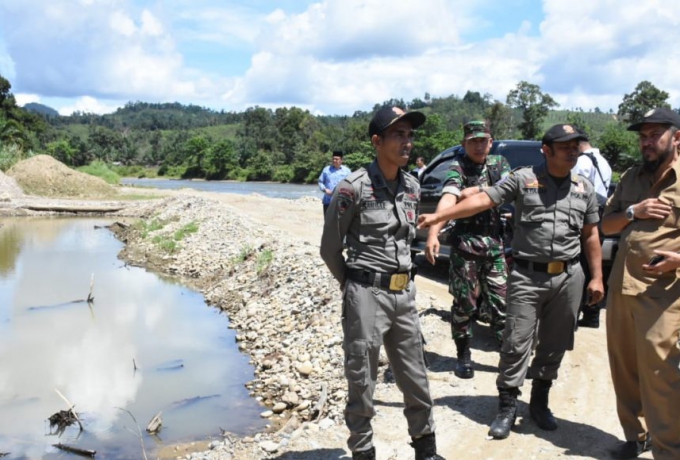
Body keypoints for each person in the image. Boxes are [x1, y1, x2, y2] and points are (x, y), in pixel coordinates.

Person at [418, 124, 604, 440]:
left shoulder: (584, 188)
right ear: (546, 150)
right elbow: (484, 200)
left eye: (575, 146)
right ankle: (507, 406)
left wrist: (597, 277)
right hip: (527, 276)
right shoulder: (522, 178)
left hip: (568, 276)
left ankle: (540, 402)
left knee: (555, 343)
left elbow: (591, 235)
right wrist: (438, 219)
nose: (572, 151)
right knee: (516, 341)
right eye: (564, 147)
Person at [320, 106, 445, 460]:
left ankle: (426, 449)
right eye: (398, 134)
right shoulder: (352, 188)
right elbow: (330, 249)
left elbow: (406, 242)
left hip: (404, 294)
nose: (407, 141)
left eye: (410, 135)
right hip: (366, 295)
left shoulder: (412, 185)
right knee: (362, 380)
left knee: (415, 375)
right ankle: (363, 453)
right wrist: (355, 287)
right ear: (377, 141)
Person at [600, 107, 680, 460]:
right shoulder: (632, 177)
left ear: (676, 137)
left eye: (655, 135)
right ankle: (637, 436)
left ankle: (669, 450)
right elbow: (607, 225)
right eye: (643, 136)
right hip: (622, 288)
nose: (647, 142)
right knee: (625, 368)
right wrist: (635, 212)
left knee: (661, 374)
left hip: (663, 296)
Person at [424, 120, 510, 380]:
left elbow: (508, 189)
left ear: (491, 142)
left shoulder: (499, 164)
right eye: (473, 140)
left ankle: (507, 358)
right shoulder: (458, 167)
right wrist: (432, 232)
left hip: (494, 246)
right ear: (464, 143)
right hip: (465, 247)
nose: (479, 145)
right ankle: (463, 355)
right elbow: (449, 197)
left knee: (502, 304)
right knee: (464, 304)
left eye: (483, 140)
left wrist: (477, 189)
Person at [572, 131, 613, 328]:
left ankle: (576, 314)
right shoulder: (602, 160)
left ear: (578, 145)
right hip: (601, 215)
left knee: (579, 267)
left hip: (585, 217)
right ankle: (592, 315)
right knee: (592, 266)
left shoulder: (582, 162)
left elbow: (575, 191)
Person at [318, 150, 351, 218]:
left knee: (341, 224)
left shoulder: (347, 171)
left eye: (336, 159)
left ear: (341, 160)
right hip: (328, 201)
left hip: (342, 202)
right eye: (333, 158)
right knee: (328, 223)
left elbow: (351, 184)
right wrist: (325, 189)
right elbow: (320, 182)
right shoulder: (326, 170)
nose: (334, 160)